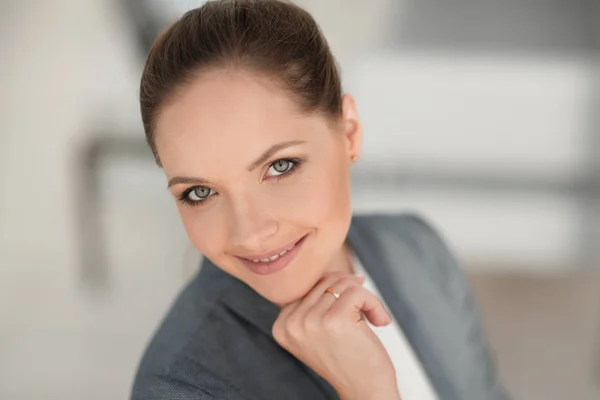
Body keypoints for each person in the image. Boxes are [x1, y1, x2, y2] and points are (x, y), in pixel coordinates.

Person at [131, 1, 508, 399]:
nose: (252, 233)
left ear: (348, 133)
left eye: (280, 167)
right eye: (200, 192)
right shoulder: (182, 388)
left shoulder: (418, 249)